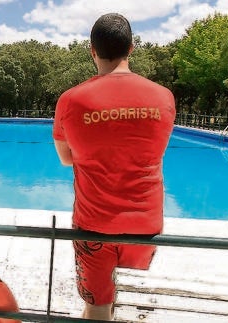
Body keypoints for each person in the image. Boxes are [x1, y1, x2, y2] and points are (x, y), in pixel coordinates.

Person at [52, 13, 175, 321]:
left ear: (92, 50)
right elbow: (152, 152)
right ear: (131, 48)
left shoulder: (71, 100)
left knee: (97, 305)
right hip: (146, 226)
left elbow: (66, 158)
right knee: (126, 288)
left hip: (94, 224)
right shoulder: (163, 98)